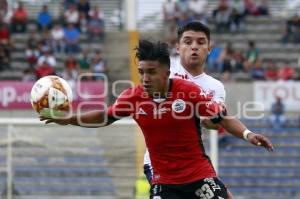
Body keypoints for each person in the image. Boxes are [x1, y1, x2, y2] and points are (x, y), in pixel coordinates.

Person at [41, 40, 273, 199]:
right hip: (165, 181)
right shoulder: (133, 97)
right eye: (141, 72)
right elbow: (105, 116)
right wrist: (69, 119)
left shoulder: (188, 91)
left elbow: (221, 118)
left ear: (165, 73)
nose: (145, 78)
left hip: (199, 175)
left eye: (151, 72)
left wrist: (248, 134)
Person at [142, 21, 268, 198]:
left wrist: (247, 134)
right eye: (187, 42)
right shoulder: (164, 72)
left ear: (210, 48)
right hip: (161, 164)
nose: (194, 47)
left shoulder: (214, 87)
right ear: (178, 47)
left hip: (192, 164)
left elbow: (217, 121)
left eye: (200, 42)